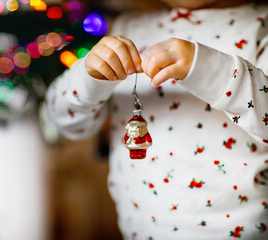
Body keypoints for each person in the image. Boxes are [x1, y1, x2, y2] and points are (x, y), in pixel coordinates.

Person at [45, 0, 268, 238]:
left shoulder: (260, 26)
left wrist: (208, 68)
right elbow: (67, 123)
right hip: (139, 229)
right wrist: (88, 78)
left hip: (240, 230)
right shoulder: (125, 28)